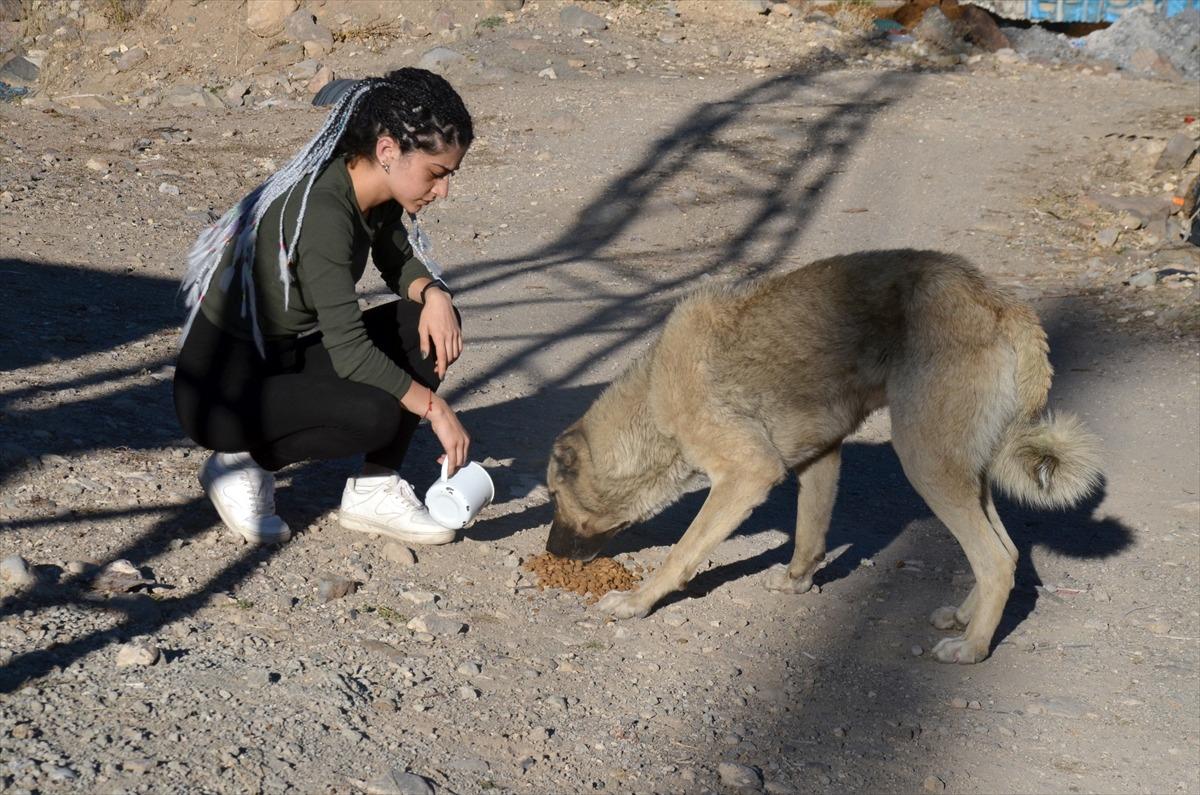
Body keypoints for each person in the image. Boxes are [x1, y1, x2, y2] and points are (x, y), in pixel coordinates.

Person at [173, 68, 474, 546]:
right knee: (374, 412)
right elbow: (350, 350)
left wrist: (434, 294)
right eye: (436, 174)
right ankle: (238, 464)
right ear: (388, 151)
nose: (442, 191)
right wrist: (435, 409)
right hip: (223, 390)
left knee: (432, 321)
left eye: (449, 176)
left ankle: (374, 489)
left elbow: (397, 259)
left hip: (283, 358)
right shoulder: (325, 212)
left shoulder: (374, 191)